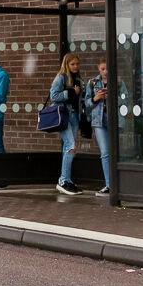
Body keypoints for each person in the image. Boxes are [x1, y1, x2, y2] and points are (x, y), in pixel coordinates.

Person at [85, 58, 127, 197]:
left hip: (115, 120)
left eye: (107, 69)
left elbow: (125, 100)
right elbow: (87, 103)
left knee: (115, 152)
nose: (105, 72)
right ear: (98, 68)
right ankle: (109, 185)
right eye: (103, 69)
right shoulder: (92, 83)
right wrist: (96, 98)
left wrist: (112, 97)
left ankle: (119, 184)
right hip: (99, 122)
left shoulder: (118, 81)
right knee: (105, 153)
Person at [50, 52, 84, 195]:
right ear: (67, 64)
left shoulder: (79, 79)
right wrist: (70, 92)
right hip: (64, 116)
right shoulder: (61, 78)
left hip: (74, 116)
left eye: (77, 64)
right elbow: (54, 95)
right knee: (71, 146)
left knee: (68, 148)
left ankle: (67, 180)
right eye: (72, 64)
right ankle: (63, 181)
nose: (75, 66)